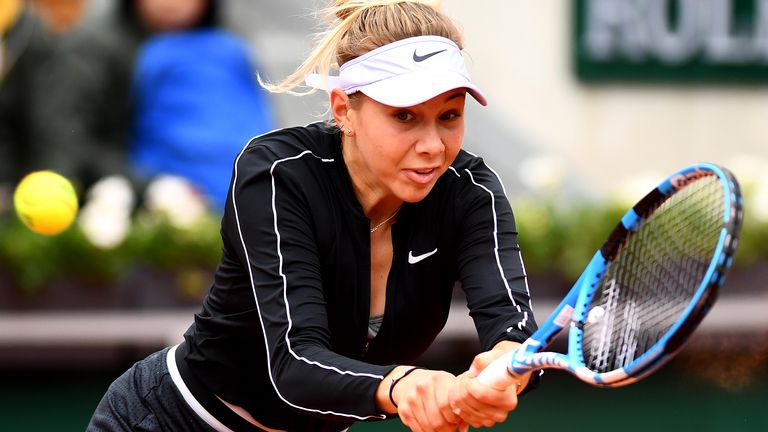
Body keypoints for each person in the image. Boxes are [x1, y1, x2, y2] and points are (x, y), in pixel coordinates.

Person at [87, 1, 539, 431]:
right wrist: (406, 385)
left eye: (450, 115)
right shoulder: (278, 173)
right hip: (170, 423)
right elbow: (294, 364)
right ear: (345, 110)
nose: (433, 145)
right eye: (404, 116)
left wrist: (506, 366)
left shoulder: (470, 191)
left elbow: (512, 326)